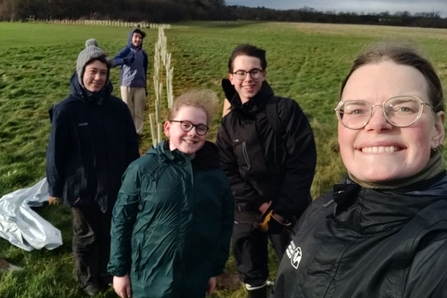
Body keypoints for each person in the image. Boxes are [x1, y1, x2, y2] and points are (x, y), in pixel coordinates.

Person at [274, 43, 447, 298]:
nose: (377, 124)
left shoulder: (437, 252)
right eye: (357, 110)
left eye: (403, 108)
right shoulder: (326, 206)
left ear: (437, 129)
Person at [108, 90, 234, 298]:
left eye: (200, 128)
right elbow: (121, 220)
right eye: (185, 124)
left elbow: (223, 224)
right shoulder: (142, 170)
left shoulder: (215, 178)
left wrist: (213, 270)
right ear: (167, 128)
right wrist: (119, 270)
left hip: (195, 277)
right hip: (149, 277)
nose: (193, 133)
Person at [216, 44, 317, 298]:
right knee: (250, 265)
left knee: (297, 264)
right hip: (247, 208)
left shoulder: (285, 110)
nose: (247, 79)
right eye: (241, 73)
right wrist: (258, 204)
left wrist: (281, 209)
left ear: (264, 74)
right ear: (232, 78)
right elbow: (226, 169)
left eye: (254, 72)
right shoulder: (229, 124)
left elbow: (302, 162)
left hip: (289, 209)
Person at [46, 39, 140, 296]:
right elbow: (56, 152)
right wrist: (55, 187)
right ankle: (88, 278)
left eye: (103, 73)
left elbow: (131, 145)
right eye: (92, 72)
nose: (98, 78)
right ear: (81, 72)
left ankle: (109, 272)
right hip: (82, 186)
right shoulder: (66, 110)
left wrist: (134, 179)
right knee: (87, 235)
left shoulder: (118, 109)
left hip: (114, 183)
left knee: (111, 230)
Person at [112, 28, 149, 135]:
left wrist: (145, 87)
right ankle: (127, 131)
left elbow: (145, 70)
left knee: (139, 111)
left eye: (140, 38)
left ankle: (138, 132)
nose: (138, 39)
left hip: (140, 86)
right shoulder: (126, 50)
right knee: (127, 109)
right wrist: (124, 60)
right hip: (127, 85)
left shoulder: (144, 54)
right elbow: (113, 62)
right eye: (135, 37)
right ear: (131, 38)